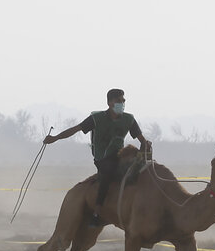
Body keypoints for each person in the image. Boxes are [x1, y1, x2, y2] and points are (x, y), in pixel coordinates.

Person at [43, 88, 148, 227]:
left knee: (143, 170)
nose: (122, 103)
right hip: (103, 159)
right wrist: (55, 138)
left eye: (123, 101)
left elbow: (142, 140)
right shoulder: (96, 119)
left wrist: (145, 147)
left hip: (120, 156)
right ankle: (97, 212)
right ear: (109, 102)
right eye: (118, 101)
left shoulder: (129, 119)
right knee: (109, 171)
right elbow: (76, 129)